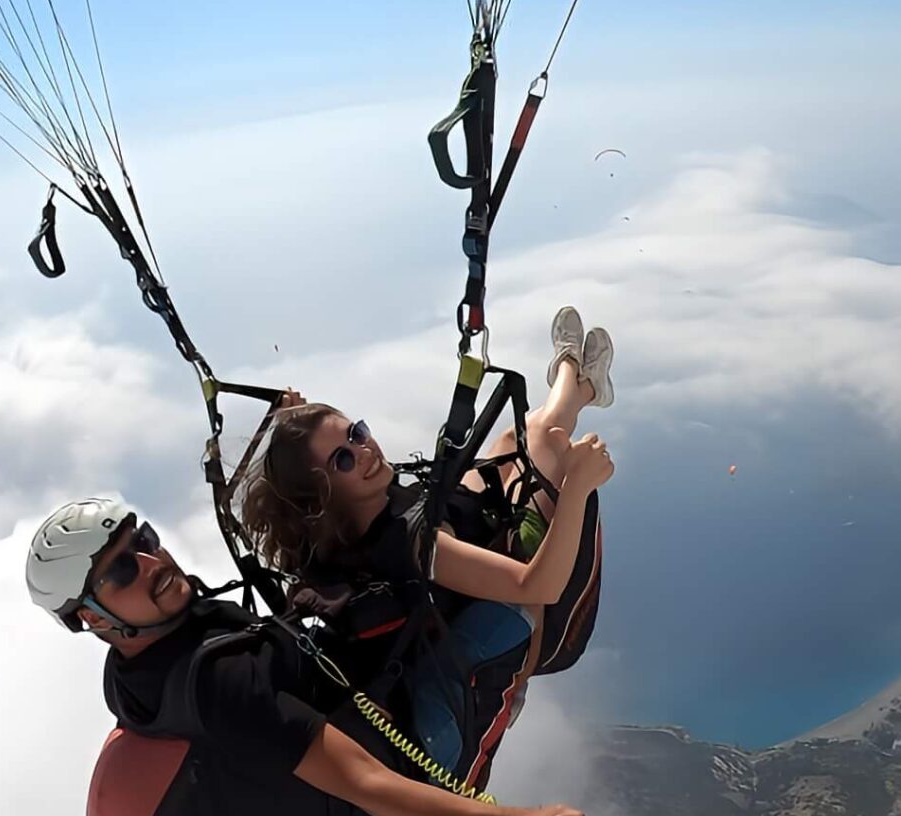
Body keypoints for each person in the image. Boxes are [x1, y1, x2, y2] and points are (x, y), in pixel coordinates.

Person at [27, 498, 585, 816]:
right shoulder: (221, 685)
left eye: (143, 540)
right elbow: (367, 782)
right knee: (509, 615)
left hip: (353, 732)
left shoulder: (143, 660)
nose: (152, 562)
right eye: (122, 569)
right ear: (91, 619)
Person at [233, 307, 616, 783]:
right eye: (344, 459)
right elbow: (540, 584)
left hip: (461, 522)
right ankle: (572, 375)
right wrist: (577, 486)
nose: (366, 450)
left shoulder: (331, 533)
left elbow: (280, 502)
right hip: (533, 605)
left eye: (358, 432)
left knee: (510, 440)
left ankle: (582, 385)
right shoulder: (408, 545)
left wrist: (292, 422)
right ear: (322, 495)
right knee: (542, 437)